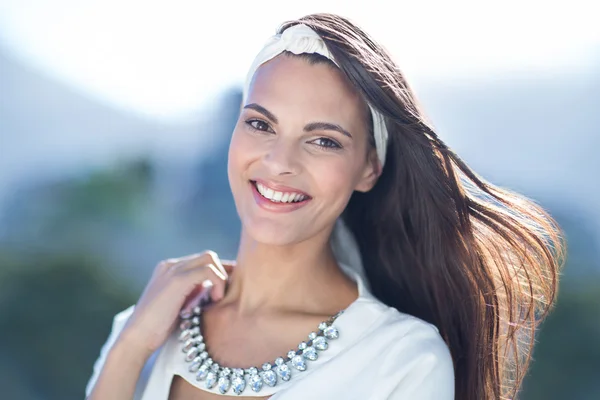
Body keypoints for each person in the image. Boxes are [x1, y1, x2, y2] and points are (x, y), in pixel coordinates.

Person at [85, 13, 564, 400]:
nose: (279, 162)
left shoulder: (403, 361)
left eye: (323, 141)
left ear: (369, 169)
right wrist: (130, 347)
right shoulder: (143, 324)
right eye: (260, 125)